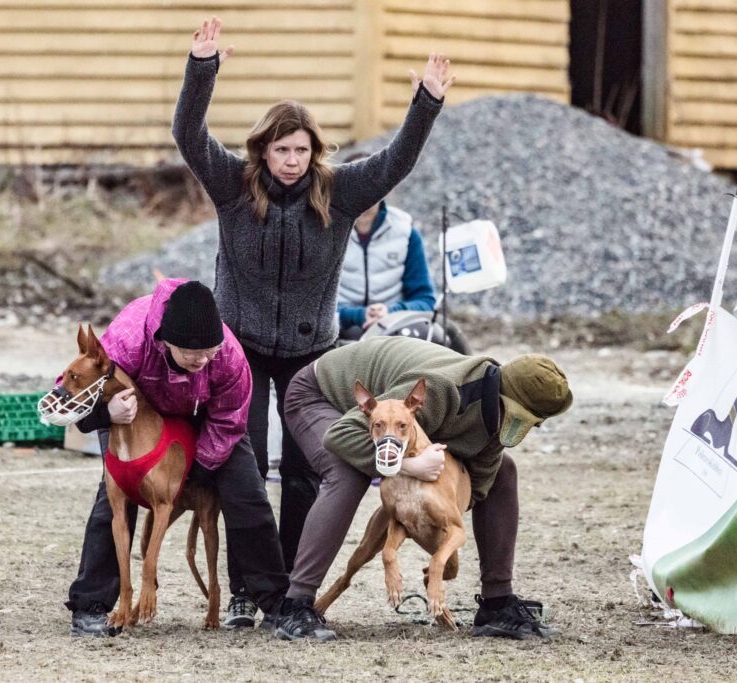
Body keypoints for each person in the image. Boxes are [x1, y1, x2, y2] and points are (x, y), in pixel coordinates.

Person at [171, 16, 455, 626]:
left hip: (312, 355)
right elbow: (189, 136)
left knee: (307, 471)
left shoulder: (340, 190)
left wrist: (425, 103)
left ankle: (293, 591)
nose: (292, 160)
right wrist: (202, 68)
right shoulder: (232, 186)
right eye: (282, 149)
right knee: (240, 465)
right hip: (238, 349)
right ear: (263, 150)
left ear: (313, 152)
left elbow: (396, 161)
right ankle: (251, 585)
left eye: (301, 149)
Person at [274, 335, 573, 641]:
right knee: (348, 472)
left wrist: (437, 531)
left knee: (504, 470)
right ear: (509, 400)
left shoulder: (496, 418)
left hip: (371, 417)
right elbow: (341, 435)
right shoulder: (441, 389)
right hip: (319, 396)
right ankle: (295, 605)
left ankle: (497, 604)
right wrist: (408, 467)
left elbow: (474, 490)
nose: (534, 427)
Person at [65, 279, 288, 637]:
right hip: (133, 411)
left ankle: (277, 604)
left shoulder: (228, 354)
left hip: (207, 417)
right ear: (165, 341)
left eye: (208, 351)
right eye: (191, 353)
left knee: (248, 492)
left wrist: (195, 471)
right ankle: (91, 604)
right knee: (111, 501)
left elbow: (230, 419)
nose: (202, 359)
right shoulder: (129, 338)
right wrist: (107, 415)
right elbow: (71, 392)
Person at [336, 171, 436, 340]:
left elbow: (425, 300)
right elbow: (309, 303)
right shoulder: (324, 229)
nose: (364, 194)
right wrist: (359, 315)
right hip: (341, 326)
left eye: (370, 185)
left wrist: (389, 312)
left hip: (395, 327)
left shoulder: (406, 231)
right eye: (355, 185)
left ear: (384, 187)